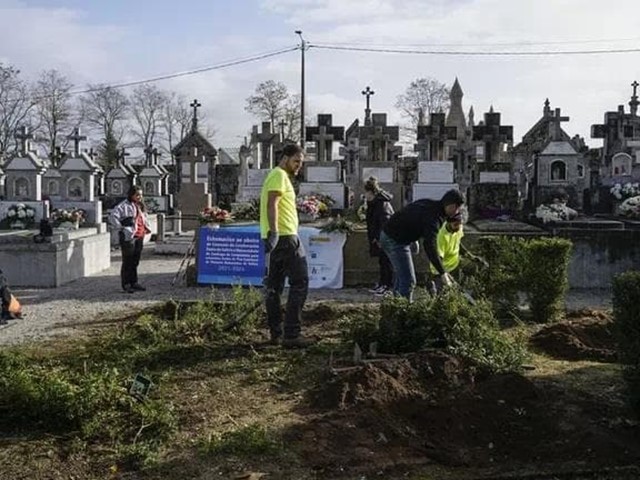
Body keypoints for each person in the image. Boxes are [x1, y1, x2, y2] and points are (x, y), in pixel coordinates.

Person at [260, 143, 312, 349]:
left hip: (278, 238)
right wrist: (274, 232)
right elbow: (272, 203)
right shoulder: (279, 175)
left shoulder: (278, 176)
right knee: (300, 282)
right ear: (285, 158)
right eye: (296, 161)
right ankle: (291, 334)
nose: (299, 166)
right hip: (286, 237)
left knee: (274, 287)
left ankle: (276, 333)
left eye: (301, 162)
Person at [379, 189, 465, 301]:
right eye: (456, 207)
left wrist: (413, 238)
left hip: (392, 234)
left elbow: (410, 214)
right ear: (449, 204)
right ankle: (402, 313)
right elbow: (430, 245)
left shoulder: (430, 204)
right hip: (394, 240)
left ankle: (395, 305)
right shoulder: (434, 218)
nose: (457, 211)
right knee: (409, 281)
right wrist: (442, 272)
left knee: (402, 276)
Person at [110, 185, 150, 294]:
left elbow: (144, 218)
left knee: (135, 261)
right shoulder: (123, 205)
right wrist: (121, 227)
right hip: (129, 236)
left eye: (141, 195)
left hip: (139, 235)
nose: (139, 197)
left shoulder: (140, 206)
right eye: (137, 195)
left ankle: (134, 282)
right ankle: (126, 283)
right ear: (131, 195)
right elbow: (113, 216)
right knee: (127, 260)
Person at [363, 177, 394, 296]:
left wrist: (379, 237)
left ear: (371, 192)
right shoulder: (375, 203)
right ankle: (382, 283)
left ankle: (387, 285)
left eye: (366, 192)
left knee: (386, 261)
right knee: (382, 261)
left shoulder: (381, 204)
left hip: (384, 237)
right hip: (379, 237)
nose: (365, 195)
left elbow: (384, 222)